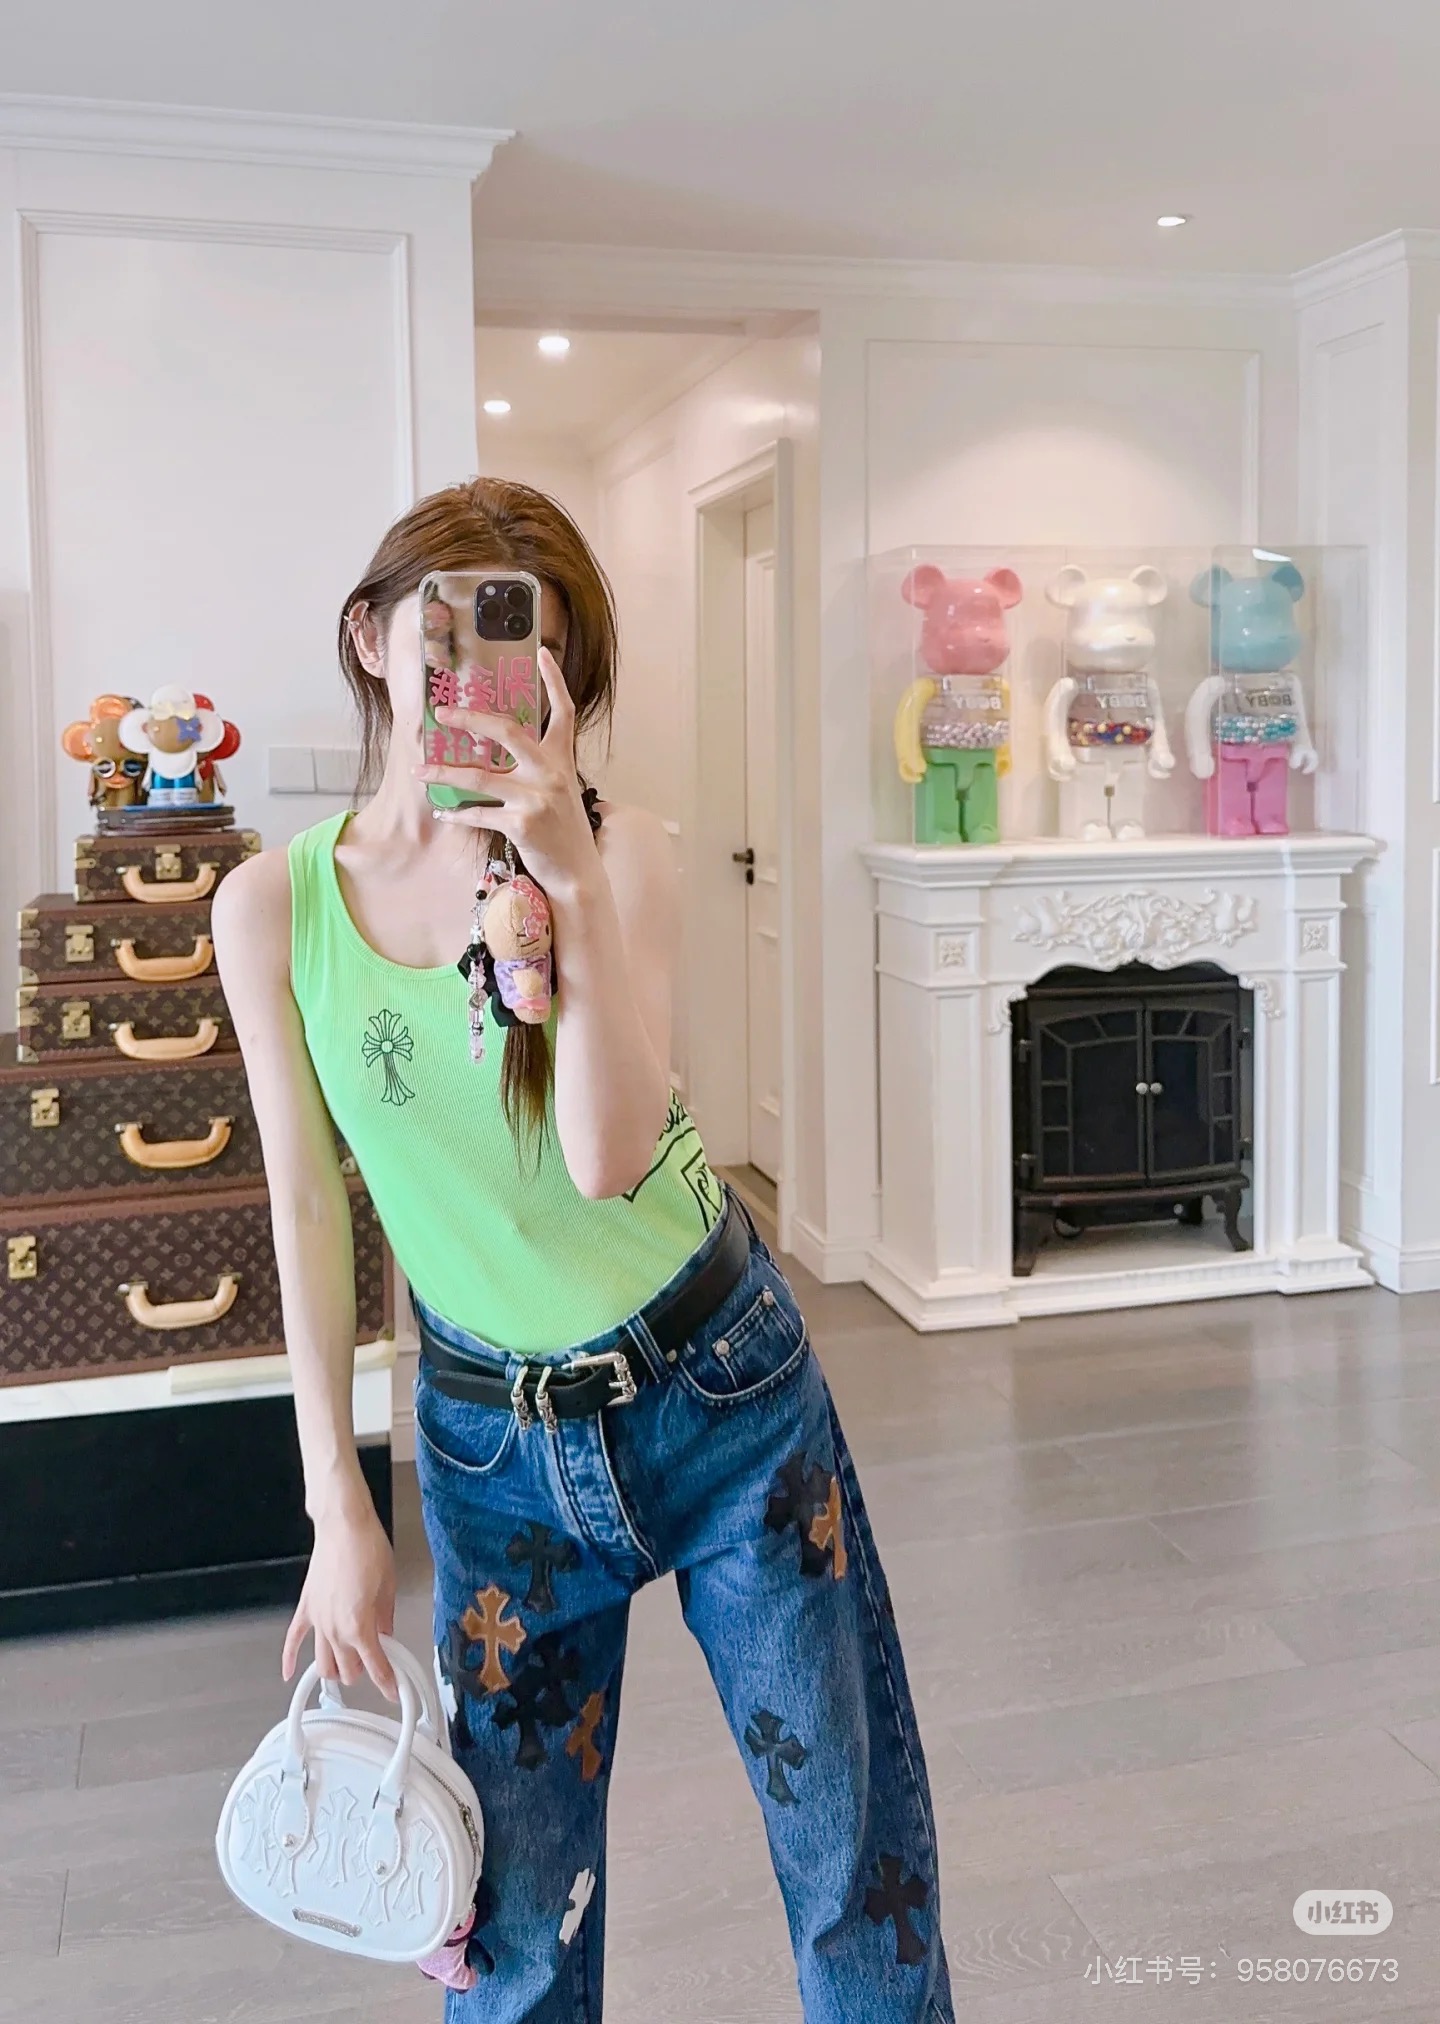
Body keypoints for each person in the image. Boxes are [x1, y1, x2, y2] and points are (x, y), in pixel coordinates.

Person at [212, 478, 953, 2023]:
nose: (473, 678)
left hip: (726, 1394)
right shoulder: (275, 906)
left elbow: (611, 1160)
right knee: (516, 1929)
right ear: (370, 636)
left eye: (523, 651)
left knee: (850, 1864)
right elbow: (306, 1205)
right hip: (494, 1451)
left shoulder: (626, 855)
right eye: (445, 633)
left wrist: (571, 879)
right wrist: (339, 1503)